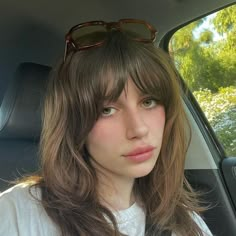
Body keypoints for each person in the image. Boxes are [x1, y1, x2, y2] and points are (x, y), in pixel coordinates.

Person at [0, 19, 212, 236]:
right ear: (73, 121)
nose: (138, 129)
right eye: (107, 110)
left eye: (148, 102)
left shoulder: (184, 219)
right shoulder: (16, 214)